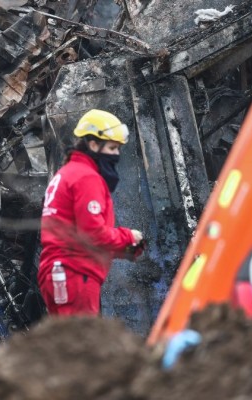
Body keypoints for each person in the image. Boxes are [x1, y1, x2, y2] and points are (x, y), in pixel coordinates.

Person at [38, 109, 144, 316]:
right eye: (112, 148)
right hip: (75, 274)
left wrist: (128, 249)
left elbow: (81, 238)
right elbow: (93, 234)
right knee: (83, 345)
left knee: (69, 344)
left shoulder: (67, 173)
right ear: (93, 144)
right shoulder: (86, 177)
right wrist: (128, 237)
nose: (116, 154)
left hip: (60, 273)